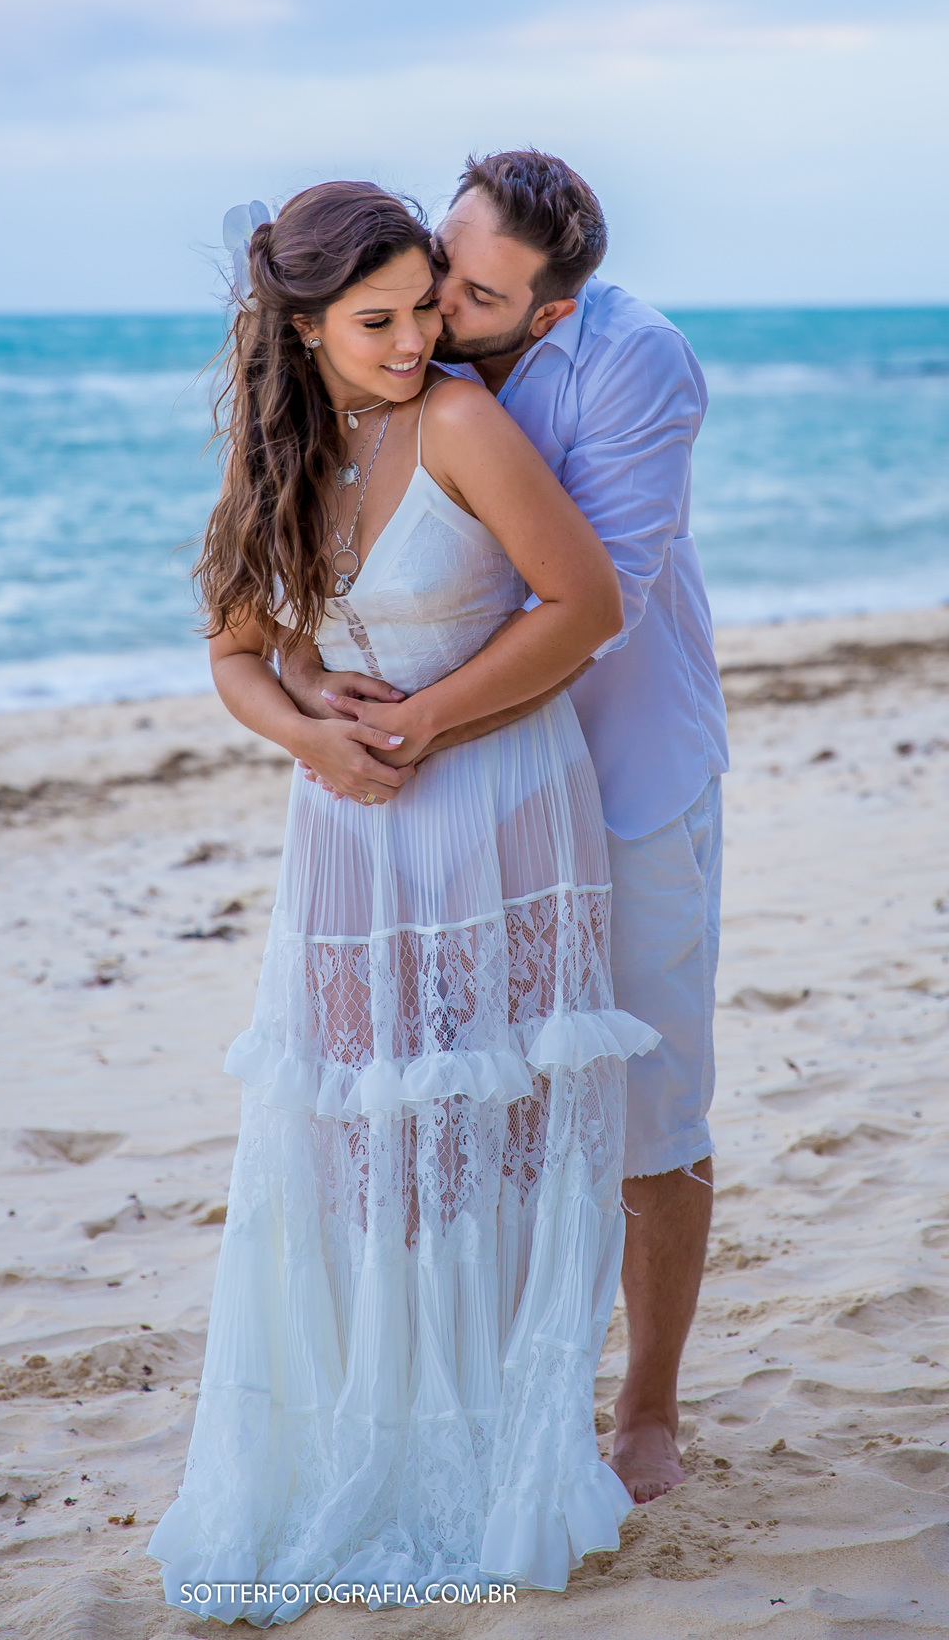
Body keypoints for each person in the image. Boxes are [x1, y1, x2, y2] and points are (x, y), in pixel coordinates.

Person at [147, 180, 661, 1621]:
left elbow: (587, 606)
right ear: (302, 328)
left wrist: (423, 722)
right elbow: (236, 650)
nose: (414, 341)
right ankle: (371, 1422)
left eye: (427, 308)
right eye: (376, 321)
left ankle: (499, 1438)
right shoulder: (281, 451)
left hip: (499, 806)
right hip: (347, 831)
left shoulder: (461, 421)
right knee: (363, 1136)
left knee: (492, 1130)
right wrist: (304, 732)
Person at [283, 150, 728, 1505]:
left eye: (470, 298)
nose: (436, 315)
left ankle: (646, 1409)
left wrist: (412, 728)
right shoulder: (402, 359)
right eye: (436, 271)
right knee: (470, 1093)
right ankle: (487, 1397)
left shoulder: (636, 362)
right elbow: (306, 572)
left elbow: (600, 605)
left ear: (549, 310)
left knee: (645, 1096)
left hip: (625, 774)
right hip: (469, 801)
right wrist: (308, 693)